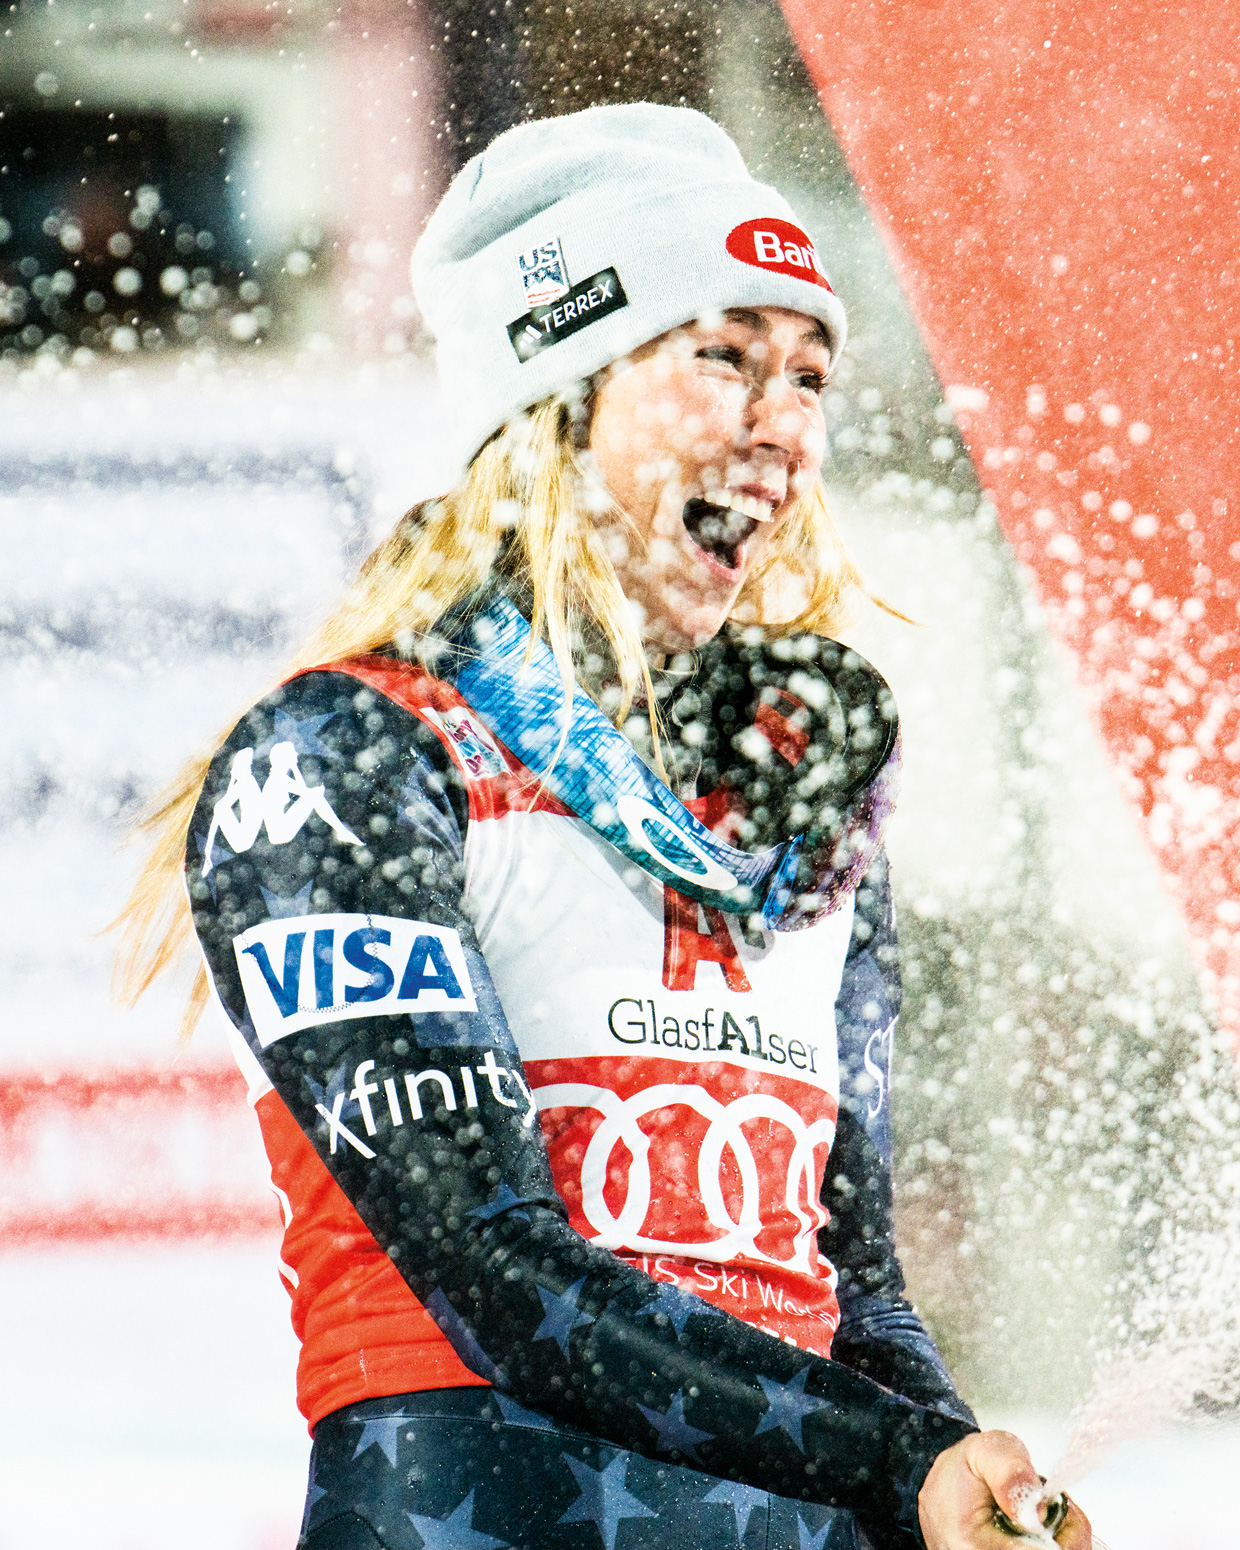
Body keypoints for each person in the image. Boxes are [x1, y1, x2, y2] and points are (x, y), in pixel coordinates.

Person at [115, 105, 1091, 1550]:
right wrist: (895, 1460)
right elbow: (505, 1282)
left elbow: (856, 1304)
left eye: (810, 372)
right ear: (556, 403)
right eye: (724, 359)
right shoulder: (346, 754)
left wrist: (970, 1480)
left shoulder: (806, 823)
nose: (785, 424)